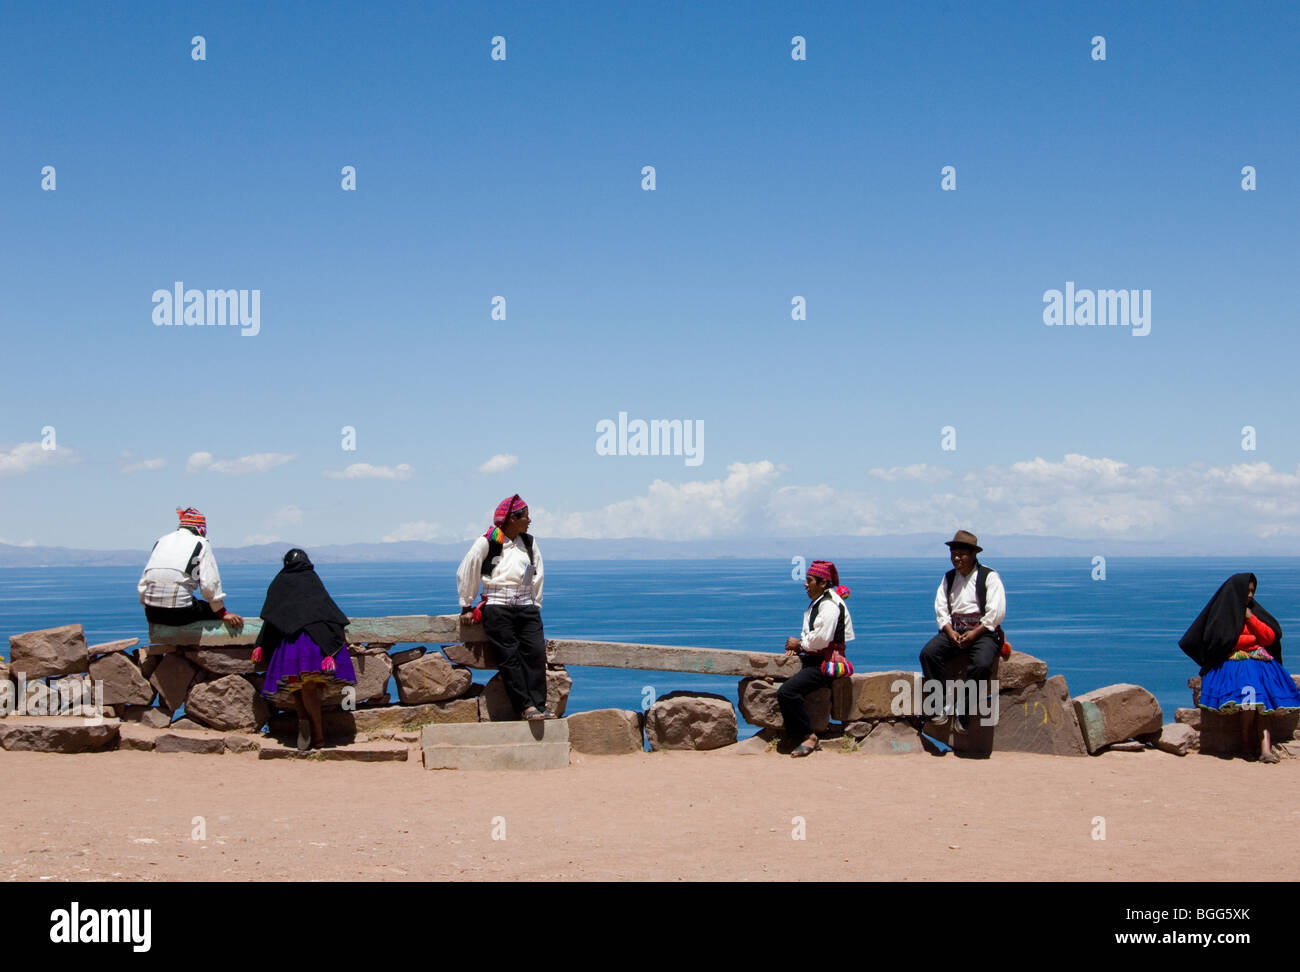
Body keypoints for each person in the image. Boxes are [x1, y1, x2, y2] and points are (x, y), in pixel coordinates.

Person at [1180, 573, 1300, 764]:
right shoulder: (1223, 614)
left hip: (1261, 665)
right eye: (1247, 591)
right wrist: (1253, 640)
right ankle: (1247, 744)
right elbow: (1225, 641)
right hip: (1235, 666)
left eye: (1253, 591)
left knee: (1264, 704)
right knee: (1251, 700)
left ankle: (1264, 749)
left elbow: (1269, 637)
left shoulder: (1253, 612)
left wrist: (1251, 618)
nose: (1251, 595)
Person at [456, 494, 550, 720]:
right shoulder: (488, 542)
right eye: (525, 516)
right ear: (512, 518)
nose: (529, 521)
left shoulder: (529, 542)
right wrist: (466, 604)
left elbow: (538, 574)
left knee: (535, 653)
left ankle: (539, 704)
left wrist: (535, 604)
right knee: (509, 657)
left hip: (526, 606)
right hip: (498, 607)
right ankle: (526, 706)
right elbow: (468, 569)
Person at [255, 548, 357, 750]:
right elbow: (329, 611)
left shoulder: (280, 582)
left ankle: (309, 730)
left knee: (296, 685)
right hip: (316, 644)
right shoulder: (312, 580)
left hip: (292, 645)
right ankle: (315, 734)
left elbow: (272, 616)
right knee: (307, 687)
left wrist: (261, 644)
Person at [919, 530, 1006, 730]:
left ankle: (964, 709)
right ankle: (939, 705)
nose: (956, 558)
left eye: (961, 554)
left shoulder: (989, 577)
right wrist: (950, 632)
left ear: (973, 555)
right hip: (954, 631)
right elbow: (941, 609)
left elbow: (996, 611)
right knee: (928, 654)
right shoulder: (949, 578)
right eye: (953, 554)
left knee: (982, 664)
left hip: (982, 632)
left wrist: (975, 633)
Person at [778, 560, 855, 757]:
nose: (805, 584)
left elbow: (821, 639)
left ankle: (808, 736)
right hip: (817, 659)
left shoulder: (829, 605)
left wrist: (799, 644)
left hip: (827, 664)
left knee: (787, 692)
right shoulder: (822, 602)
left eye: (809, 580)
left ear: (822, 583)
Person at [138, 507, 243, 630]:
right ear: (200, 528)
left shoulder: (161, 541)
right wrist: (222, 613)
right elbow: (209, 585)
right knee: (211, 611)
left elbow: (144, 583)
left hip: (152, 613)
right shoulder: (200, 543)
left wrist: (149, 606)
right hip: (181, 613)